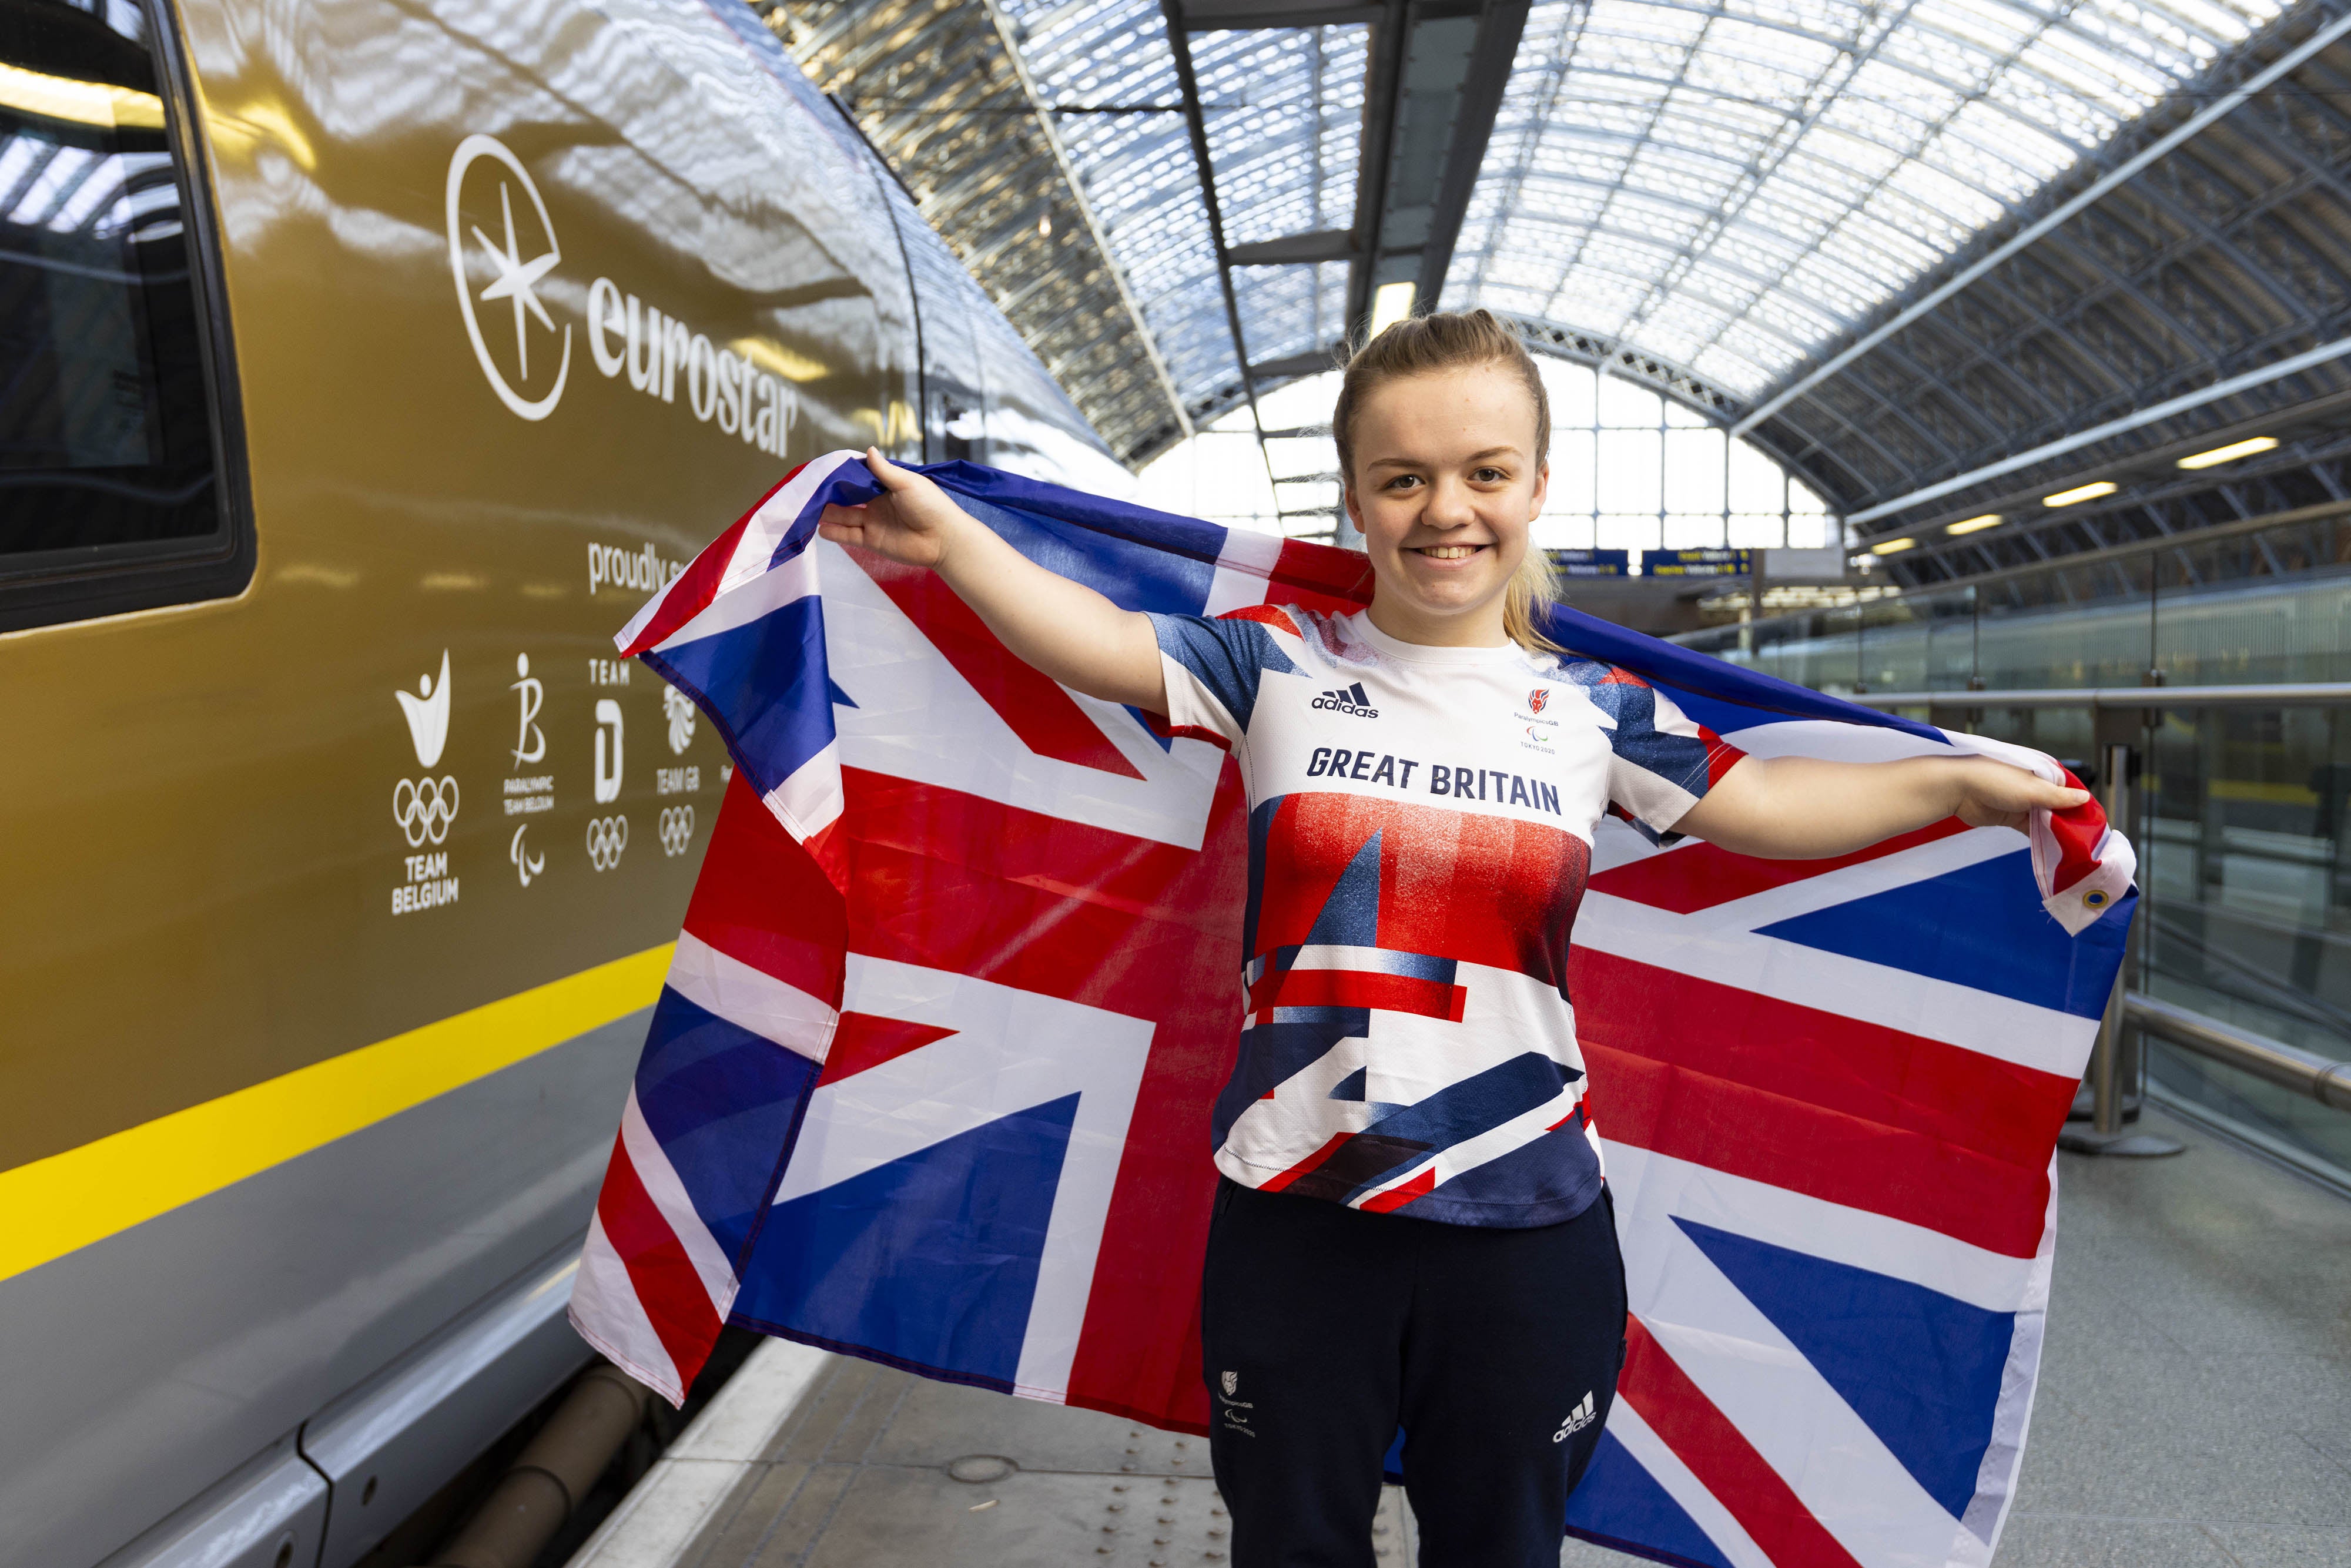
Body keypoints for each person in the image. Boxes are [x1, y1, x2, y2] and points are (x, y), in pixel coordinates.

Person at [818, 309, 2084, 1568]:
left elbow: (1765, 804)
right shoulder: (1271, 669)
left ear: (1535, 485)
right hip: (1299, 1224)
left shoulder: (1593, 713)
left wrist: (1954, 785)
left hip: (1528, 1232)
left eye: (1482, 473)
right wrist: (957, 544)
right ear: (1355, 500)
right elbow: (1093, 642)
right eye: (1403, 477)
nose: (1445, 510)